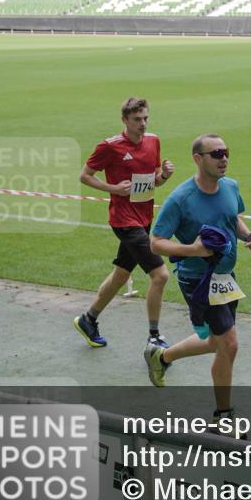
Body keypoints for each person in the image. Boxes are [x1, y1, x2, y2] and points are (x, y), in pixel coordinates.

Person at [146, 134, 251, 432]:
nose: (224, 158)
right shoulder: (181, 199)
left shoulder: (231, 186)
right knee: (229, 343)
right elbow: (156, 243)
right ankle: (223, 416)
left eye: (226, 152)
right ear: (198, 158)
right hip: (198, 279)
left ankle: (162, 356)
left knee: (216, 342)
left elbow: (232, 218)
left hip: (225, 278)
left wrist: (247, 236)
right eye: (216, 154)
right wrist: (192, 251)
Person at [72, 98, 174, 348]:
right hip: (124, 220)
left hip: (144, 217)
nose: (143, 124)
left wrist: (164, 176)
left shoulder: (153, 141)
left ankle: (89, 319)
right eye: (137, 119)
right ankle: (154, 336)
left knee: (121, 275)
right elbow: (84, 176)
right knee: (160, 275)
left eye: (145, 118)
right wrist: (113, 189)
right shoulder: (110, 146)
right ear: (124, 120)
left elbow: (153, 181)